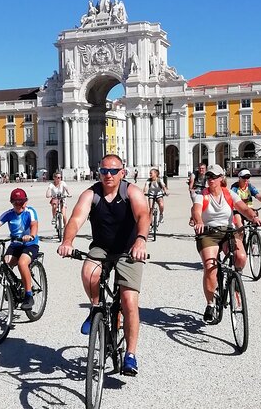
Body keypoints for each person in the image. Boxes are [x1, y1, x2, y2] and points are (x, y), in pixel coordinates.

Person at [58, 154, 149, 376]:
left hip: (129, 250)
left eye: (113, 171)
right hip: (102, 247)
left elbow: (144, 215)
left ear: (122, 172)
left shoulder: (132, 192)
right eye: (104, 171)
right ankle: (96, 308)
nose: (108, 175)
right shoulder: (92, 194)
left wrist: (141, 240)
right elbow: (76, 219)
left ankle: (130, 355)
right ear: (98, 172)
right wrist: (67, 241)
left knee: (129, 301)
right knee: (89, 272)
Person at [189, 165, 261, 323]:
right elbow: (196, 211)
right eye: (208, 176)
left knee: (241, 257)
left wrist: (253, 217)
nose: (210, 179)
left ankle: (235, 281)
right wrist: (199, 222)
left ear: (221, 178)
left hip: (228, 231)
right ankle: (210, 304)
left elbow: (243, 208)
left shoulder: (229, 194)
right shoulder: (201, 195)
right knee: (210, 267)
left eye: (214, 176)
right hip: (208, 233)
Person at [0, 188, 39, 310]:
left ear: (25, 202)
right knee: (6, 264)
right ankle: (13, 289)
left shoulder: (30, 211)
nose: (18, 205)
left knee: (22, 263)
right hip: (15, 245)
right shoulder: (9, 214)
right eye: (15, 203)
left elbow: (34, 225)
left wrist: (31, 236)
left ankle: (28, 295)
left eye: (20, 202)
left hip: (30, 244)